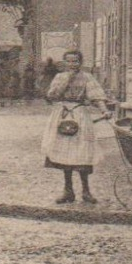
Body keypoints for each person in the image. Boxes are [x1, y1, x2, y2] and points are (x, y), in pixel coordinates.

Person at [40, 49, 110, 205]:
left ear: (81, 62)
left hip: (79, 114)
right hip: (62, 114)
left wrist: (104, 110)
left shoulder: (87, 77)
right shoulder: (59, 77)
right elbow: (51, 96)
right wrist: (66, 80)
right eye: (69, 61)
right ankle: (68, 190)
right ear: (64, 63)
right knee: (65, 152)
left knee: (82, 152)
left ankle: (86, 191)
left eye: (75, 61)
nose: (72, 64)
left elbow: (96, 95)